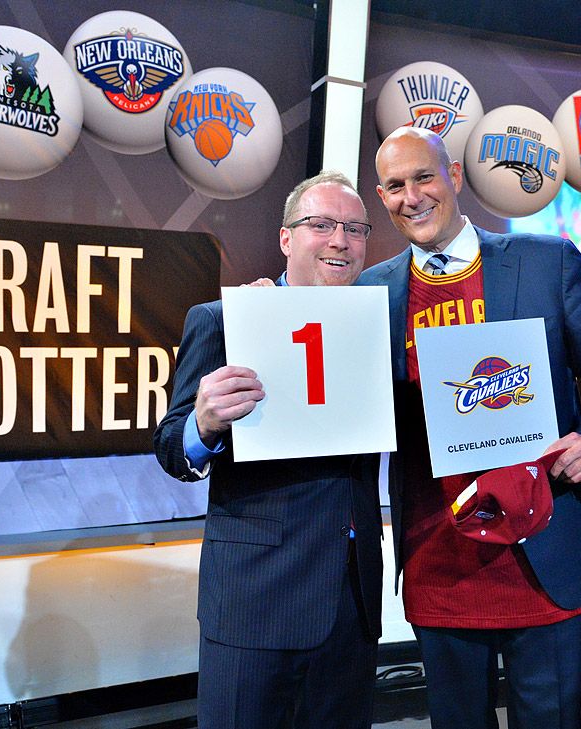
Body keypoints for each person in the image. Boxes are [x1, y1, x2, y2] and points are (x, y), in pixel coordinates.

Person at [359, 127, 581, 729]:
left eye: (424, 177)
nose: (411, 196)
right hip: (438, 559)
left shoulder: (546, 260)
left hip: (543, 551)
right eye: (394, 185)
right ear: (381, 197)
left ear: (454, 175)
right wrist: (271, 296)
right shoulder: (371, 291)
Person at [153, 171, 382, 729]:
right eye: (321, 225)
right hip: (254, 599)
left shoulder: (376, 325)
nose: (340, 240)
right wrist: (203, 424)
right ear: (286, 238)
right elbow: (171, 447)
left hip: (351, 603)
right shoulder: (223, 321)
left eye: (355, 229)